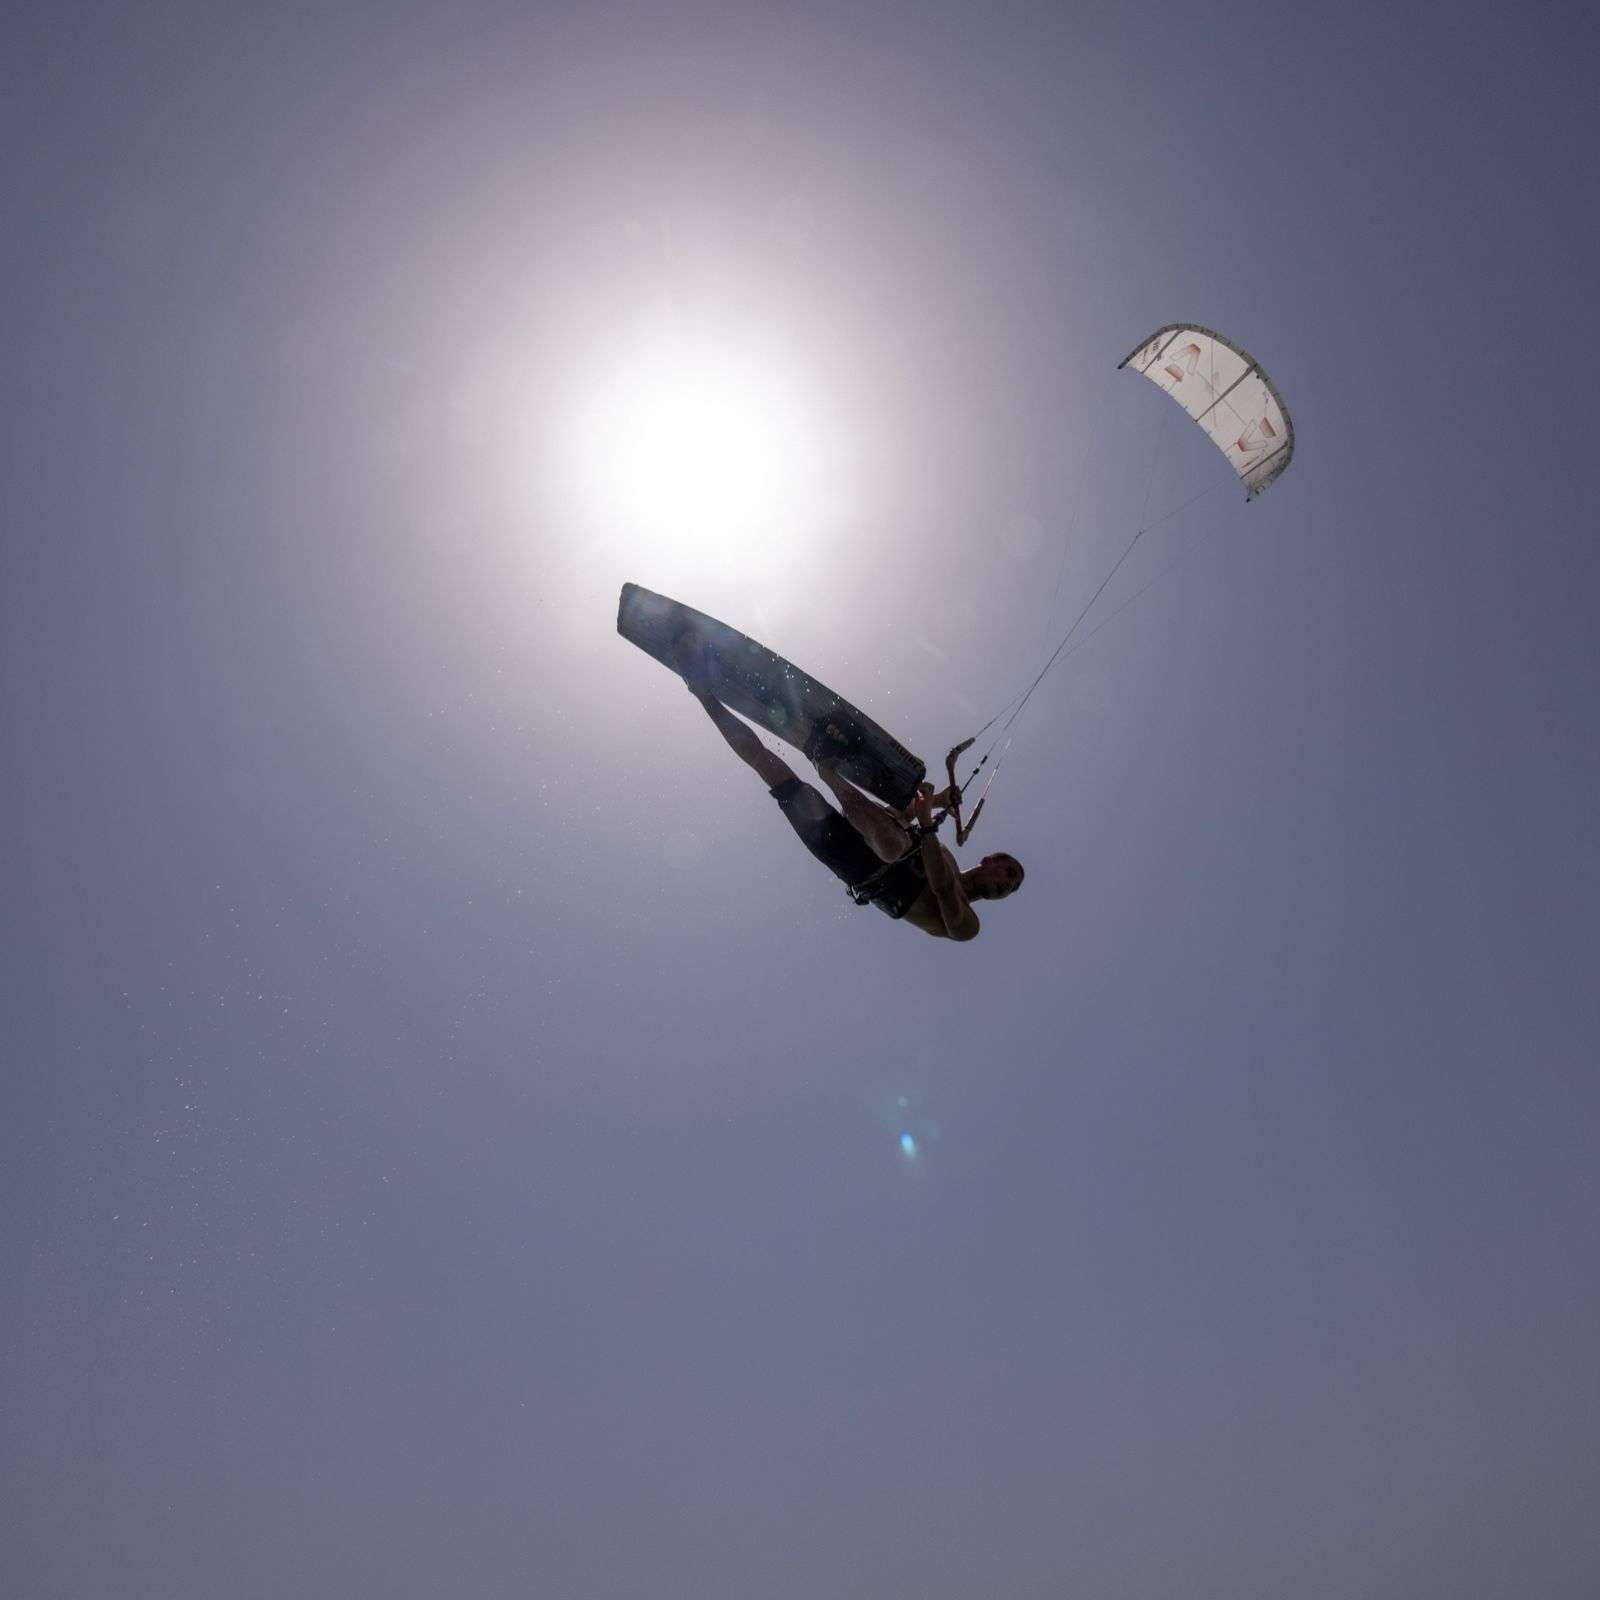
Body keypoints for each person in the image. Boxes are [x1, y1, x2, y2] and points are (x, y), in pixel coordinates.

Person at [683, 674, 1024, 941]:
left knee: (773, 773)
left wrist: (928, 824)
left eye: (1011, 889)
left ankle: (702, 694)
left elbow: (944, 890)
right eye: (1009, 873)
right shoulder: (944, 854)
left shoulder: (968, 926)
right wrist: (935, 801)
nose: (1006, 886)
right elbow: (904, 816)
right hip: (875, 829)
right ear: (990, 859)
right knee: (895, 839)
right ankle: (828, 769)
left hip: (859, 867)